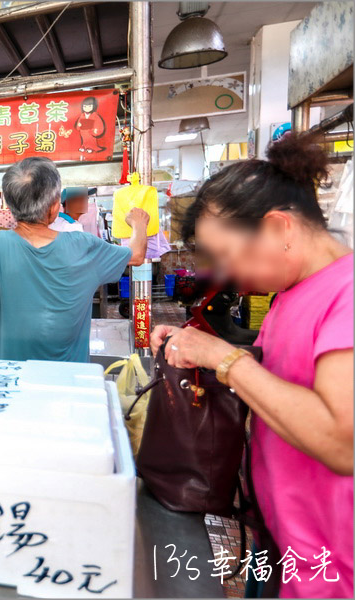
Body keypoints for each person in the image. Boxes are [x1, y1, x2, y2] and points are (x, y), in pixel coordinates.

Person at [150, 133, 352, 598]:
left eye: (227, 255)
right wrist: (197, 346)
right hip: (280, 544)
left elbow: (344, 443)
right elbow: (277, 381)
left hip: (333, 567)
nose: (226, 273)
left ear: (279, 227)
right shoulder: (289, 294)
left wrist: (223, 358)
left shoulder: (347, 295)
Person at [0, 157, 149, 361]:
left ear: (11, 207)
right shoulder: (83, 244)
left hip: (15, 378)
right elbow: (136, 255)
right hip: (69, 379)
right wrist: (139, 223)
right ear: (55, 206)